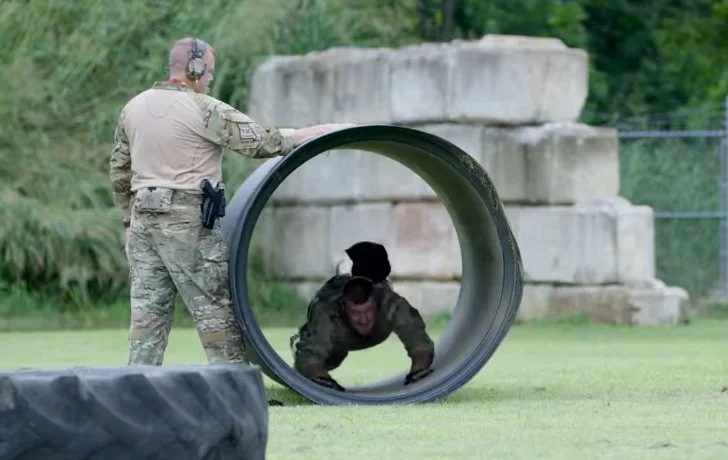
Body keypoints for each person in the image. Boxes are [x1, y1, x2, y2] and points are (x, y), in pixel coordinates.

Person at [109, 37, 354, 366]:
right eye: (209, 71)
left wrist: (127, 221)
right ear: (195, 68)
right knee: (215, 313)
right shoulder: (205, 108)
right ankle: (234, 390)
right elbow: (266, 143)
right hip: (187, 223)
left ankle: (136, 389)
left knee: (146, 320)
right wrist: (329, 130)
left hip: (142, 223)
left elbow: (119, 172)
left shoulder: (133, 107)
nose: (210, 78)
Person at [290, 241, 435, 391]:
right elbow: (311, 356)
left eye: (368, 311)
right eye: (356, 313)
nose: (364, 319)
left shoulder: (391, 304)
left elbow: (418, 339)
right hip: (337, 337)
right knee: (331, 357)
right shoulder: (328, 312)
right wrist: (321, 379)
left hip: (374, 321)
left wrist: (419, 369)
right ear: (344, 307)